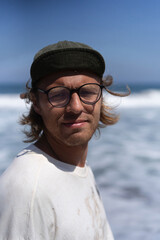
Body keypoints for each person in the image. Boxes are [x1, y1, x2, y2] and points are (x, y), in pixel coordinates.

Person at [0, 40, 129, 239]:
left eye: (87, 91)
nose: (76, 107)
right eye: (58, 95)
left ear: (101, 97)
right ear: (36, 103)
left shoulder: (77, 168)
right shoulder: (28, 190)